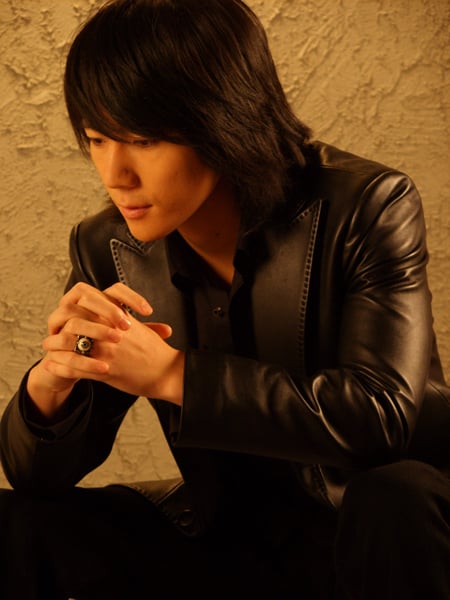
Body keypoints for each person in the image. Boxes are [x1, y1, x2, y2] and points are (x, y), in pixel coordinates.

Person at [0, 0, 449, 598]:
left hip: (380, 530)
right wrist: (51, 387)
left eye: (144, 140)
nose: (115, 174)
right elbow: (38, 479)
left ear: (223, 119)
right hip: (230, 540)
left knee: (392, 497)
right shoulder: (107, 246)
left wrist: (175, 375)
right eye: (97, 139)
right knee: (14, 525)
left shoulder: (368, 205)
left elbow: (379, 419)